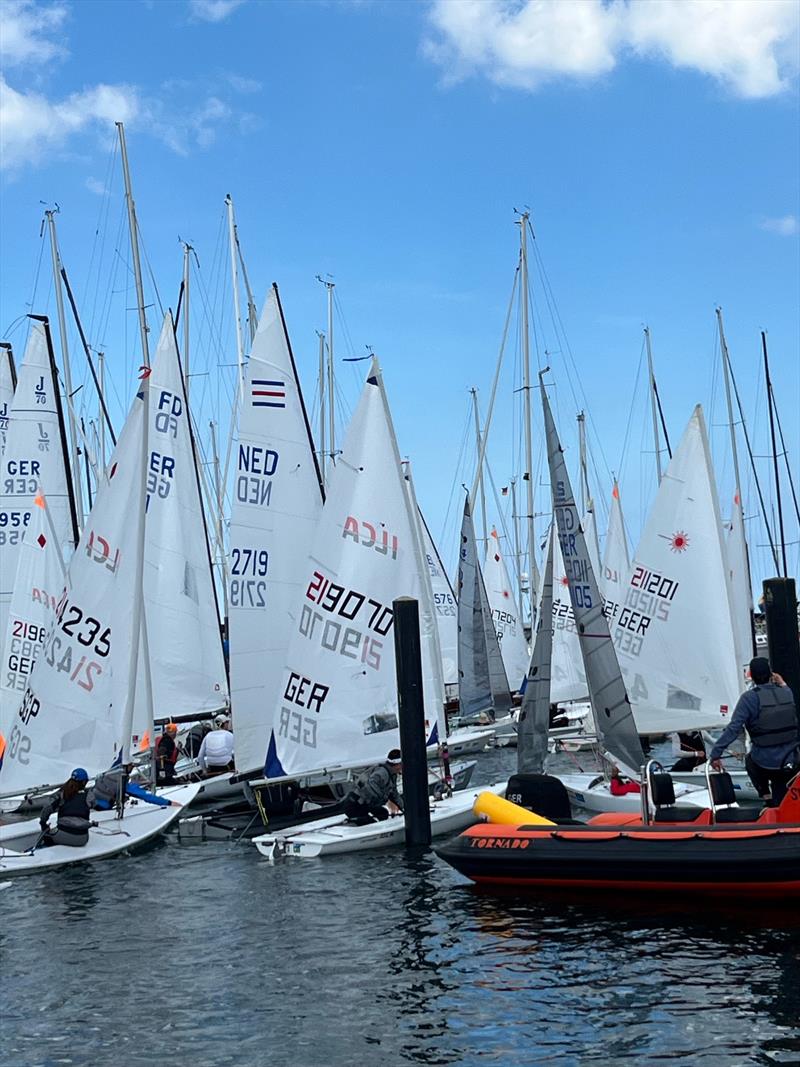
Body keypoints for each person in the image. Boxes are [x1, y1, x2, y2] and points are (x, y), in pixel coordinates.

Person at [709, 656, 799, 805]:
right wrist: (781, 682)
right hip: (791, 758)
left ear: (751, 676)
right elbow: (785, 688)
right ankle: (779, 805)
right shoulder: (787, 692)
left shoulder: (749, 698)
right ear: (771, 674)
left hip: (765, 762)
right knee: (780, 781)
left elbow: (733, 729)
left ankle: (766, 797)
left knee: (750, 761)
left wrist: (715, 754)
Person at [343, 749, 404, 825]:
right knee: (370, 822)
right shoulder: (382, 773)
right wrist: (386, 800)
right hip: (354, 805)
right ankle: (353, 823)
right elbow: (371, 784)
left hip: (366, 804)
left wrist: (404, 808)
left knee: (383, 813)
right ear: (398, 764)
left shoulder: (392, 775)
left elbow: (394, 794)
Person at [88, 762, 175, 812]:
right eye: (132, 766)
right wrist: (168, 803)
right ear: (127, 766)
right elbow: (145, 796)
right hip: (103, 809)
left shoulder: (107, 773)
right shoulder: (122, 780)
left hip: (90, 802)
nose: (133, 768)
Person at [39, 768, 92, 847]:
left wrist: (43, 824)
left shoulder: (62, 793)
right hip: (82, 839)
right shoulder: (89, 795)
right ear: (84, 782)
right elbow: (94, 804)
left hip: (61, 835)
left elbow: (47, 807)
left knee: (46, 836)